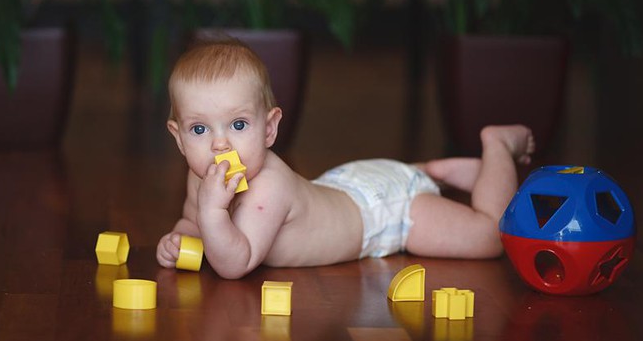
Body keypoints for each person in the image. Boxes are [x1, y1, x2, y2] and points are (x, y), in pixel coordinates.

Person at [156, 37, 535, 279]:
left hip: (385, 210)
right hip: (347, 184)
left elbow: (235, 263)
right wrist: (181, 237)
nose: (220, 146)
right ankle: (435, 172)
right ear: (178, 137)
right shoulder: (202, 177)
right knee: (410, 178)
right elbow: (194, 222)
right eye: (200, 130)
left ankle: (498, 146)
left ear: (269, 129)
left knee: (488, 237)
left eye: (238, 125)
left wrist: (211, 214)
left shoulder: (268, 187)